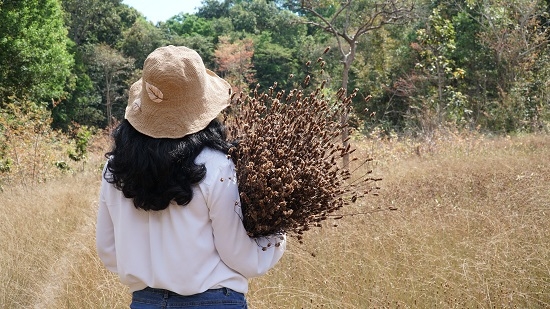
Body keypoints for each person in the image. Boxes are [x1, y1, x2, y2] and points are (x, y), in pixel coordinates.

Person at [96, 45, 286, 309]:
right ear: (203, 108)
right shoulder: (218, 166)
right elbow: (240, 256)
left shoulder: (116, 169)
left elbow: (108, 251)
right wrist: (277, 233)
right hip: (215, 301)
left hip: (145, 302)